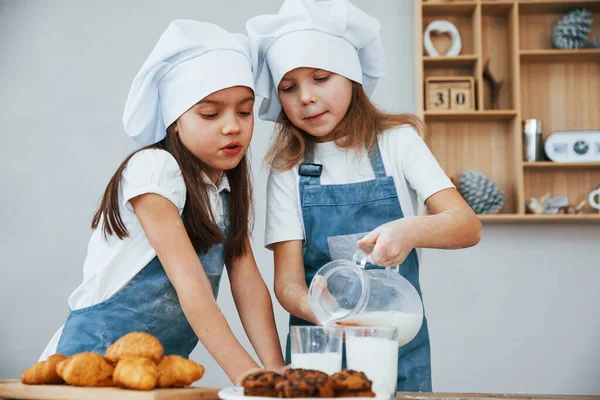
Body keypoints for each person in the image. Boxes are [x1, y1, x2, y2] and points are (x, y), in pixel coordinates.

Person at [247, 0, 482, 391]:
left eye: (321, 78)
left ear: (351, 77)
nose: (305, 97)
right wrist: (328, 315)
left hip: (395, 350)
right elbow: (287, 283)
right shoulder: (288, 166)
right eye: (288, 87)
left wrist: (411, 231)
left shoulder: (396, 143)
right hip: (317, 354)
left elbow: (467, 226)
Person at [40, 19, 285, 385]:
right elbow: (192, 287)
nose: (232, 126)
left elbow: (248, 284)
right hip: (84, 372)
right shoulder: (154, 171)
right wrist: (249, 378)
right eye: (210, 113)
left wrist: (277, 371)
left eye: (245, 111)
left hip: (149, 380)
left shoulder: (223, 192)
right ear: (175, 121)